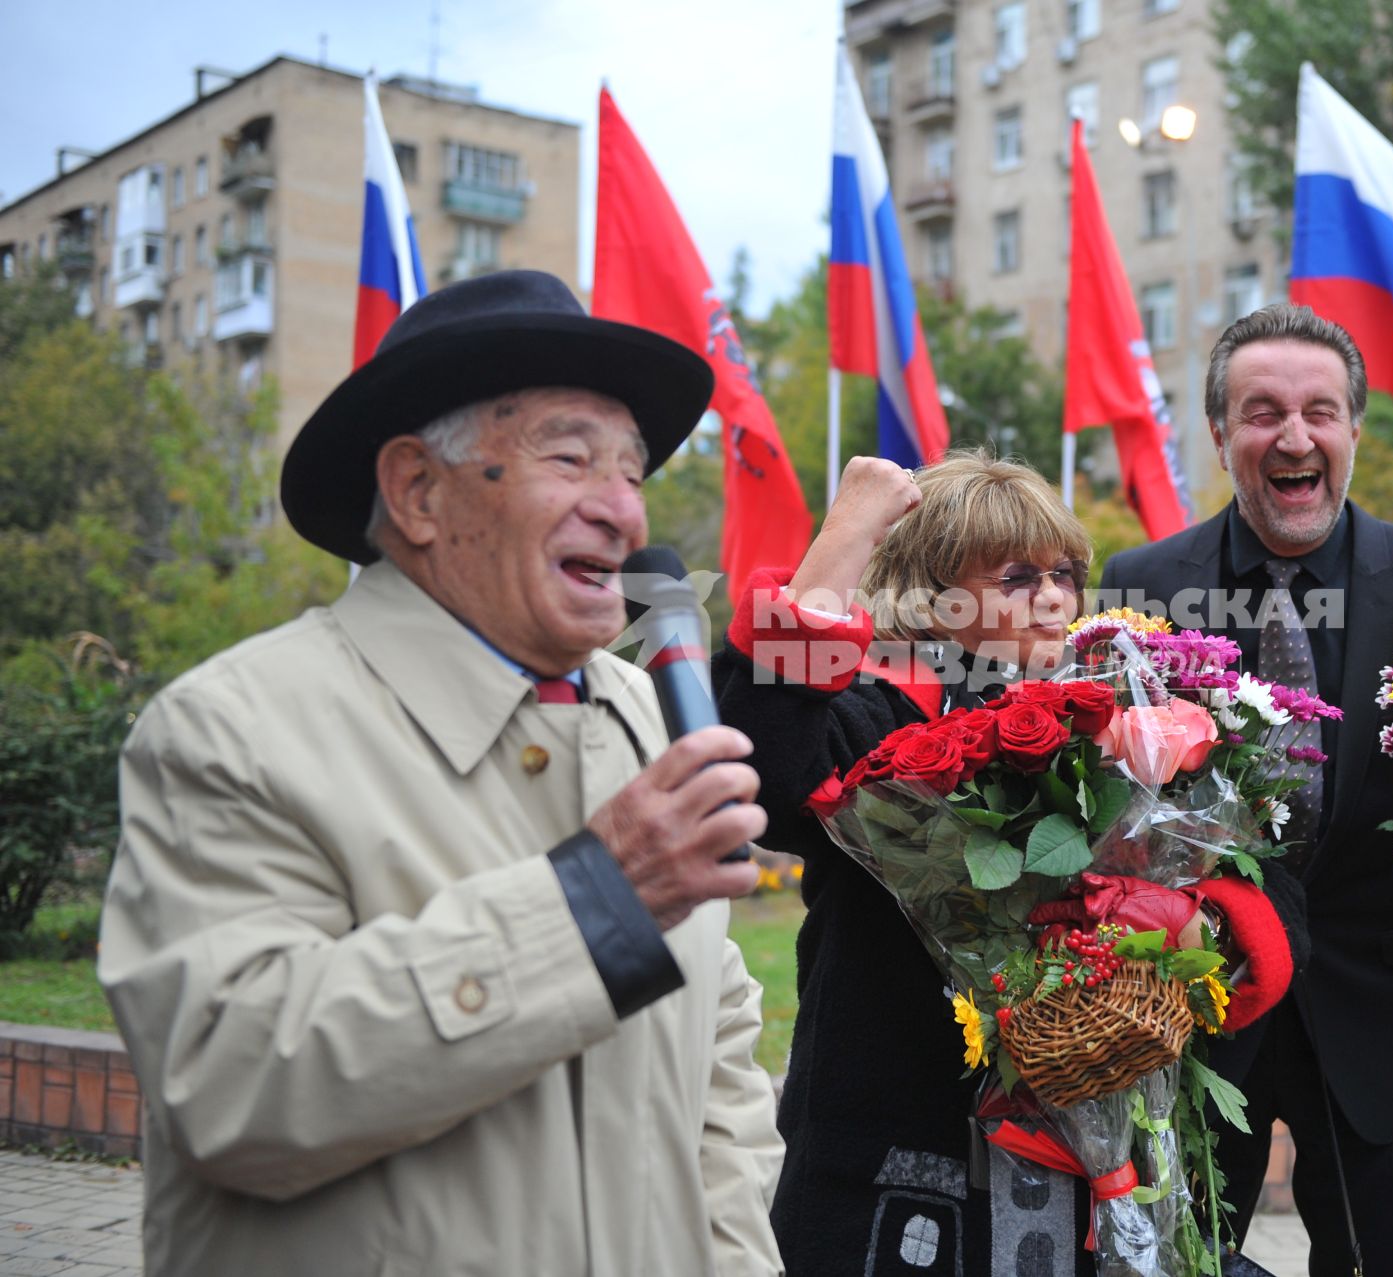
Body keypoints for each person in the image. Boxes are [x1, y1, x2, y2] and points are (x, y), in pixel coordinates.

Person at [98, 270, 785, 1277]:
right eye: (571, 457)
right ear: (419, 491)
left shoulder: (643, 710)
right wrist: (598, 902)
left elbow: (720, 1057)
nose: (626, 518)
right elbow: (232, 1084)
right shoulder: (232, 729)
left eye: (633, 474)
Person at [717, 450, 1304, 1276]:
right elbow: (764, 765)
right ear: (933, 592)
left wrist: (1192, 922)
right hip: (896, 1150)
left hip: (1084, 1173)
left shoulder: (1136, 713)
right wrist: (847, 533)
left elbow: (1266, 878)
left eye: (1065, 572)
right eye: (1019, 575)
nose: (1057, 595)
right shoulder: (879, 706)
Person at [1099, 304, 1393, 1276]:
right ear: (1220, 435)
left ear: (1351, 430)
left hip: (1382, 1016)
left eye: (1319, 411)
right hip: (1199, 1022)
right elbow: (1103, 799)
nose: (1293, 435)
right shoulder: (1140, 587)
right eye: (1261, 412)